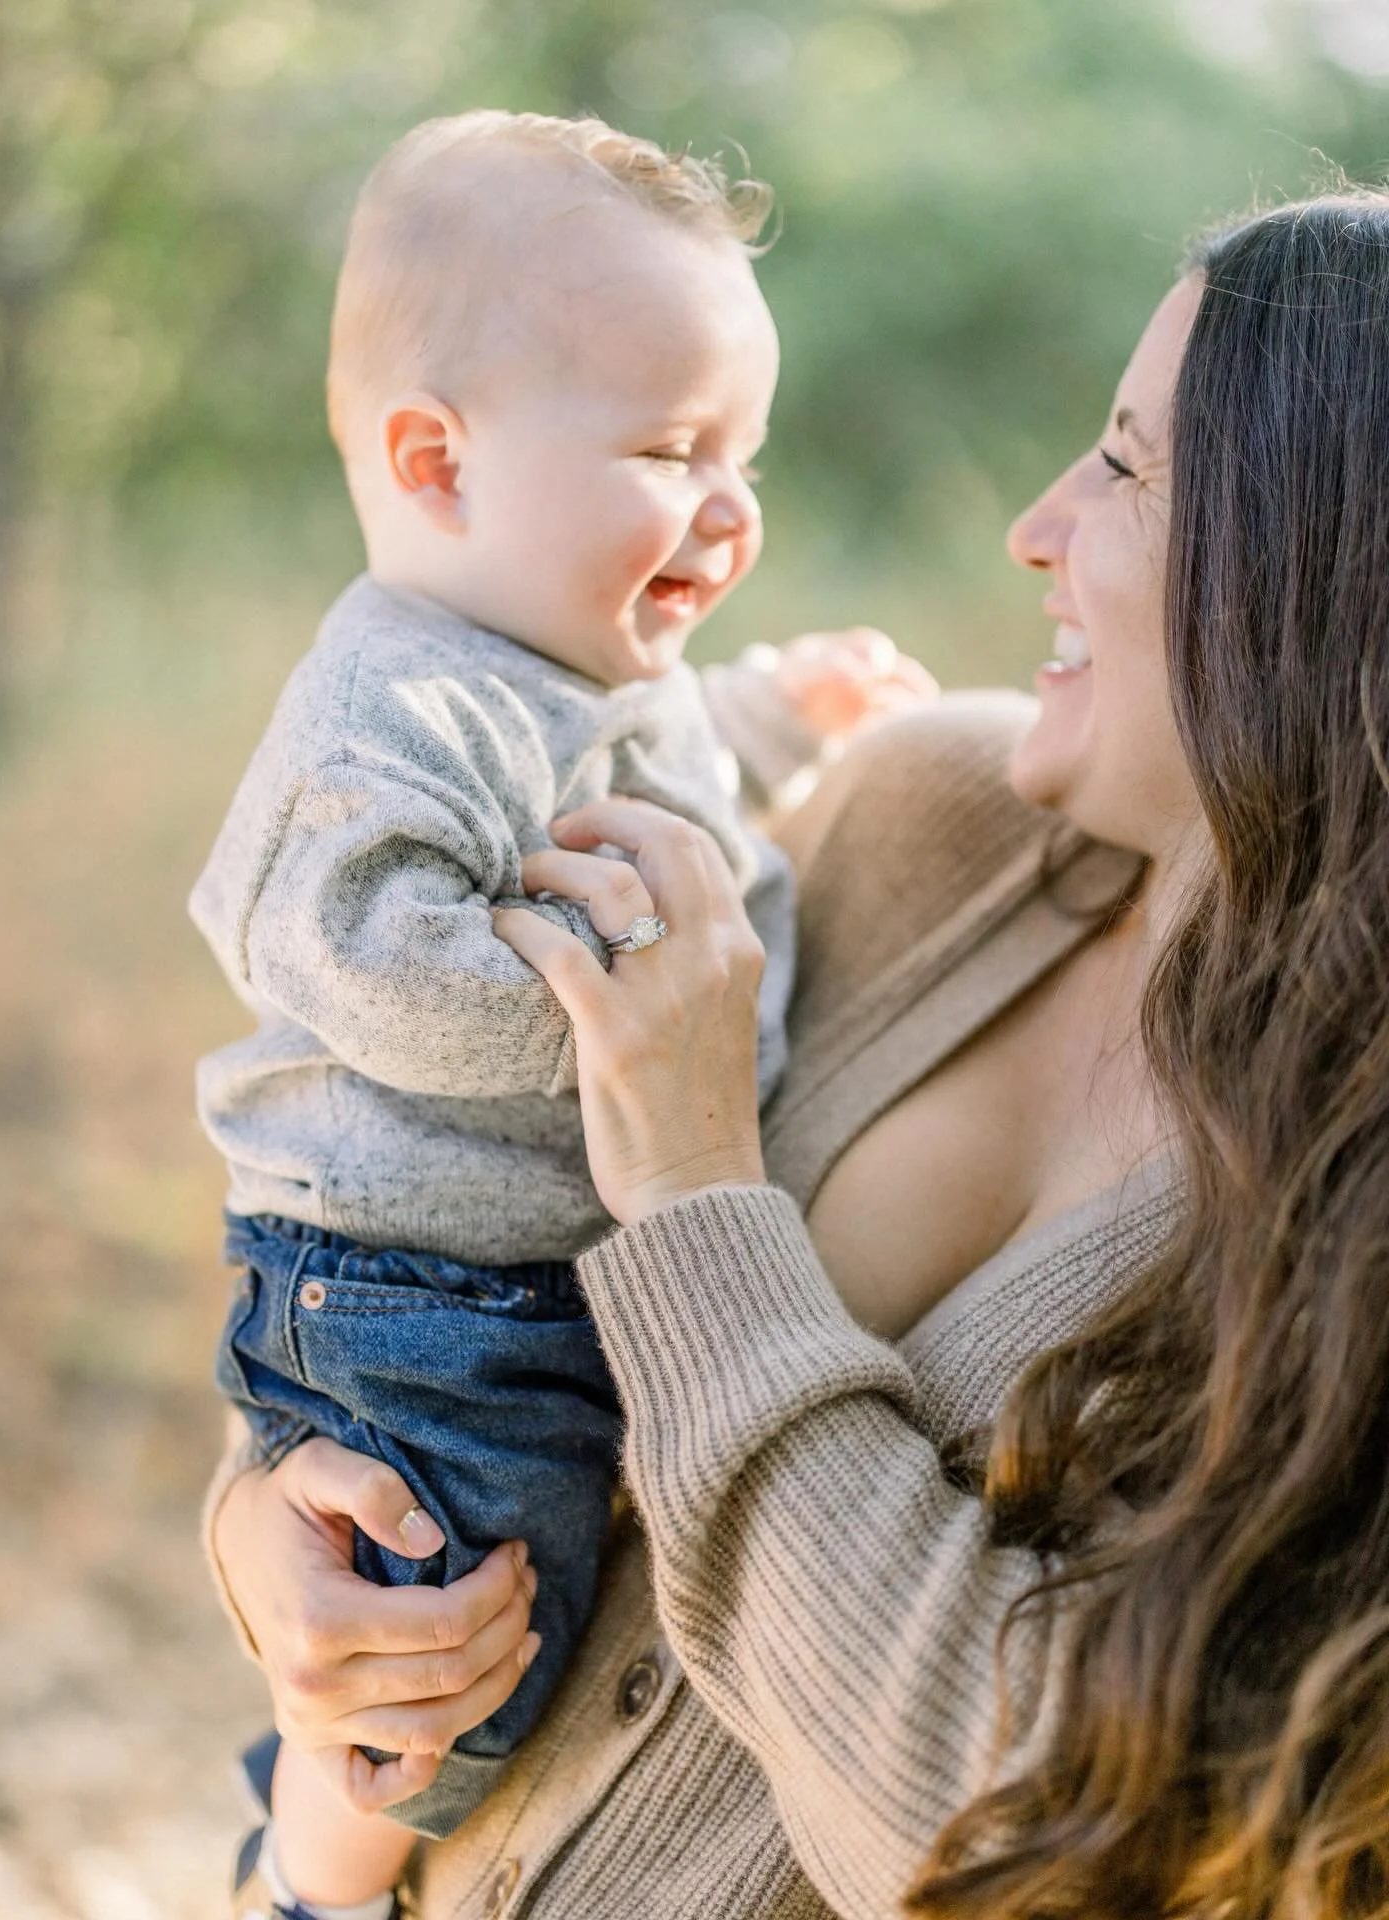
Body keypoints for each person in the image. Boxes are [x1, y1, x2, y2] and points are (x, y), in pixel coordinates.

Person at [208, 191, 1389, 1919]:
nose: (1036, 527)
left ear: (1323, 569)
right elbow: (415, 1214)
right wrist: (274, 1540)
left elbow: (1034, 1846)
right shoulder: (929, 823)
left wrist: (696, 1189)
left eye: (1131, 469)